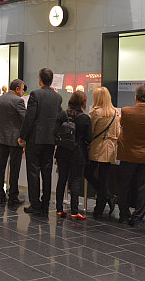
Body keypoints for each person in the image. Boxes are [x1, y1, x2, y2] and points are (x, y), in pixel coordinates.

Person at [19, 68, 63, 216]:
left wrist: (22, 136)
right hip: (50, 139)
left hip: (35, 139)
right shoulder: (57, 97)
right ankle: (45, 203)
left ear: (40, 79)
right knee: (47, 170)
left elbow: (29, 118)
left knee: (33, 171)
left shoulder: (35, 94)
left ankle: (35, 204)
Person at [117, 85, 145, 227]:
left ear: (136, 97)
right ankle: (137, 218)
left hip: (128, 154)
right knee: (143, 187)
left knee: (124, 185)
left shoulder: (126, 111)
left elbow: (122, 125)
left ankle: (123, 215)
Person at [54, 91, 92, 219]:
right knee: (75, 181)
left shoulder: (61, 115)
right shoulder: (85, 118)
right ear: (83, 103)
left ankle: (59, 209)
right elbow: (89, 138)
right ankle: (74, 211)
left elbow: (55, 133)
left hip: (62, 152)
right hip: (78, 153)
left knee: (62, 179)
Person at [84, 86, 120, 218]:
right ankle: (102, 203)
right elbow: (117, 133)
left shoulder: (95, 112)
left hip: (97, 146)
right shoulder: (115, 112)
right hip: (110, 148)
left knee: (88, 172)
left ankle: (106, 198)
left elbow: (90, 131)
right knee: (103, 178)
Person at [0, 79, 26, 206]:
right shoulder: (18, 101)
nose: (22, 92)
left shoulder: (0, 99)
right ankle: (13, 195)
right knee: (14, 168)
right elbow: (24, 118)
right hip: (15, 139)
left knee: (1, 167)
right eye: (22, 89)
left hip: (1, 137)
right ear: (17, 89)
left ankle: (0, 194)